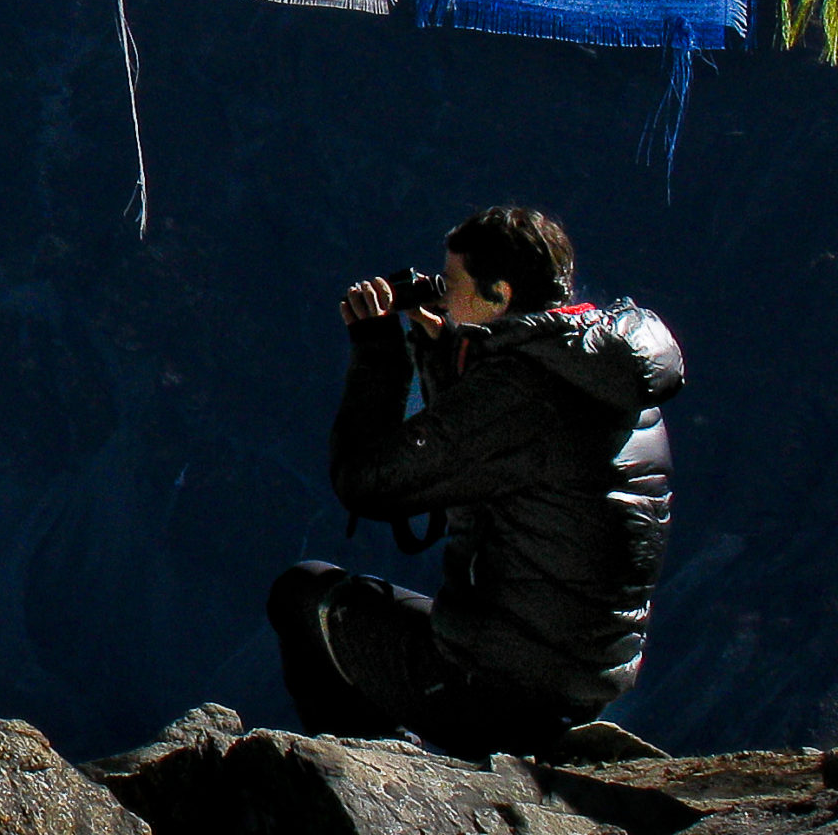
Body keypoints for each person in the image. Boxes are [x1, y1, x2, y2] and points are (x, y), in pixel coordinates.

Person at [266, 207, 683, 757]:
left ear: (499, 294)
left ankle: (370, 785)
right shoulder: (602, 369)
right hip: (577, 675)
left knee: (302, 593)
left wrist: (378, 352)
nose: (442, 295)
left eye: (453, 283)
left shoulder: (521, 391)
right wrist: (443, 356)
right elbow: (482, 459)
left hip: (502, 687)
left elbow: (366, 483)